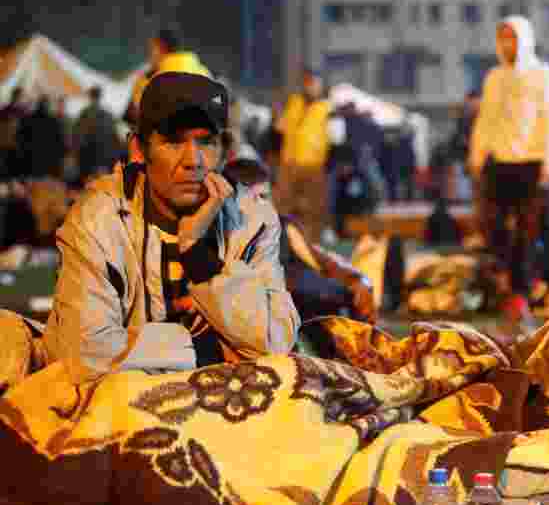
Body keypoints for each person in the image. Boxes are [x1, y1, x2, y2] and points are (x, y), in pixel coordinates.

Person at [41, 71, 300, 384]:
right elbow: (84, 353)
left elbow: (275, 344)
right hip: (125, 402)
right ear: (139, 150)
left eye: (206, 142)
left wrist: (197, 253)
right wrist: (207, 352)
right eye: (174, 141)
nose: (193, 160)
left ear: (225, 151)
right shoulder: (99, 218)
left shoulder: (253, 218)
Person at [469, 15, 549, 312]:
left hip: (533, 163)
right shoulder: (494, 77)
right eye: (502, 38)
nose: (507, 44)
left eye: (512, 37)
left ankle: (522, 291)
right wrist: (476, 155)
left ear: (524, 39)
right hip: (500, 163)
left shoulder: (543, 75)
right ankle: (503, 285)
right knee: (494, 227)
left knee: (529, 230)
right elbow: (486, 119)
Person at [222, 157, 375, 323]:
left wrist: (358, 280)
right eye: (254, 199)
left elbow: (323, 260)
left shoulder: (283, 226)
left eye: (265, 197)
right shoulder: (222, 237)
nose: (263, 207)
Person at [273, 67, 346, 242]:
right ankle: (283, 242)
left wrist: (329, 167)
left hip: (314, 167)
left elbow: (338, 141)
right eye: (307, 82)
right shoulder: (293, 103)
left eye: (313, 83)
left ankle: (310, 244)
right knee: (282, 206)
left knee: (313, 209)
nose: (309, 86)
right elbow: (278, 132)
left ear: (321, 85)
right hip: (288, 166)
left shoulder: (329, 109)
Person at [124, 29, 182, 127]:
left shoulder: (153, 77)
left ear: (160, 47)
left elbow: (131, 117)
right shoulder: (199, 70)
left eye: (152, 49)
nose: (150, 54)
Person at [72, 85, 124, 183]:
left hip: (88, 159)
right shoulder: (107, 114)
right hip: (104, 159)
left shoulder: (85, 114)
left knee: (88, 185)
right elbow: (116, 138)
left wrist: (76, 154)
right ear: (100, 96)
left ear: (90, 96)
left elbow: (77, 137)